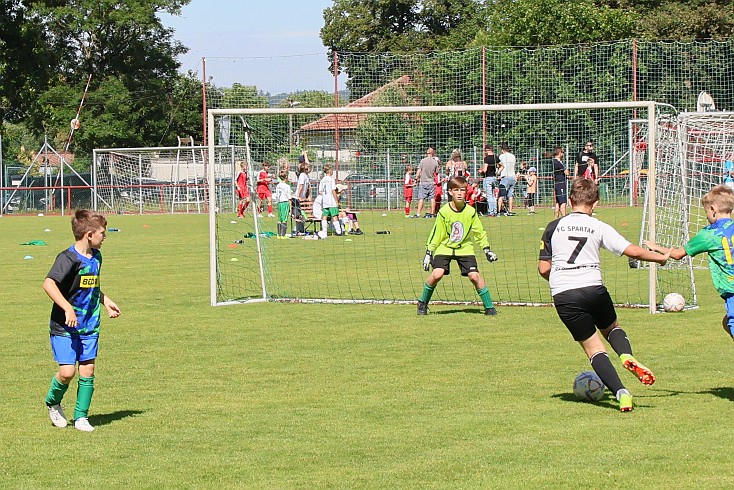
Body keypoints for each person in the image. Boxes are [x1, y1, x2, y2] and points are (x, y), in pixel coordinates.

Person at [538, 178, 670, 412]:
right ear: (595, 203)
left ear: (569, 201)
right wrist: (661, 257)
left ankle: (622, 393)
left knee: (594, 349)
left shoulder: (553, 226)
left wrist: (562, 281)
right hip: (593, 287)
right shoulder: (598, 227)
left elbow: (544, 269)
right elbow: (633, 251)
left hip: (564, 293)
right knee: (611, 328)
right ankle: (626, 355)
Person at [43, 209, 121, 432]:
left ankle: (81, 417)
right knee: (68, 372)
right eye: (102, 233)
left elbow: (90, 286)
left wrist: (105, 301)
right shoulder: (67, 258)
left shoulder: (96, 257)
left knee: (88, 370)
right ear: (89, 234)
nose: (104, 236)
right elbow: (49, 284)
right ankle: (53, 402)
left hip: (90, 324)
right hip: (64, 327)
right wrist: (67, 308)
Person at [644, 185, 734, 341]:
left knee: (730, 323)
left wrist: (657, 248)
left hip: (732, 290)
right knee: (726, 323)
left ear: (712, 209)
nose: (706, 216)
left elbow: (678, 254)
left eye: (706, 212)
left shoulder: (709, 234)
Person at [417, 176, 499, 316]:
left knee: (474, 276)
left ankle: (490, 307)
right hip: (445, 247)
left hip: (464, 248)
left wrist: (487, 250)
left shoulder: (470, 212)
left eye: (462, 190)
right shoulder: (444, 211)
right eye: (456, 190)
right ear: (450, 192)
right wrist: (428, 253)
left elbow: (479, 232)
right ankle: (422, 302)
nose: (460, 193)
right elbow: (437, 233)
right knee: (437, 274)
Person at [318, 164, 342, 236]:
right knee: (334, 216)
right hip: (331, 201)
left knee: (324, 216)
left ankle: (324, 231)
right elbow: (333, 191)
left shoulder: (322, 180)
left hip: (325, 201)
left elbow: (320, 191)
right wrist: (336, 201)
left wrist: (325, 196)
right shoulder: (331, 180)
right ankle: (338, 232)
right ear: (330, 170)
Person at [415, 148, 439, 218]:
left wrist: (416, 179)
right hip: (431, 182)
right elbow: (437, 172)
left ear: (427, 153)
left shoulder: (423, 161)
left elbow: (419, 170)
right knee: (432, 198)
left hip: (423, 182)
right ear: (433, 153)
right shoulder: (435, 162)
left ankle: (418, 214)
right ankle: (432, 213)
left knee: (421, 198)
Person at [293, 153, 311, 234]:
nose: (309, 168)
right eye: (308, 167)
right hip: (298, 197)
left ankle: (301, 229)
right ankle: (296, 229)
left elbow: (307, 187)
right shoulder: (302, 175)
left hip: (302, 197)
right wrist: (298, 197)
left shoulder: (306, 176)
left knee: (302, 213)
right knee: (298, 214)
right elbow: (300, 186)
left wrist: (308, 196)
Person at [497, 143, 517, 216]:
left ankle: (498, 211)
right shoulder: (513, 156)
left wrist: (498, 173)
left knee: (501, 195)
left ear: (502, 149)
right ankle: (510, 211)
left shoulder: (501, 156)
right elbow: (514, 166)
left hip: (505, 176)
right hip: (512, 176)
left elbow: (499, 165)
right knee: (510, 195)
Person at [481, 145, 500, 217]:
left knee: (489, 196)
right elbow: (502, 166)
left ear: (487, 150)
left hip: (488, 178)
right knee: (493, 196)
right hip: (494, 178)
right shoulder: (496, 157)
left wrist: (481, 171)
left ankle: (491, 212)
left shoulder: (487, 158)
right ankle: (495, 211)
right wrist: (498, 172)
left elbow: (485, 169)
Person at [552, 147, 569, 219]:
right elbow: (567, 173)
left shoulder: (555, 162)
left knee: (557, 203)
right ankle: (564, 218)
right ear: (559, 153)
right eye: (562, 152)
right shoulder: (557, 162)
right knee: (563, 202)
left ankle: (555, 219)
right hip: (560, 183)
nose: (563, 154)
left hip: (557, 183)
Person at [274, 169, 292, 238]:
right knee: (284, 219)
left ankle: (278, 234)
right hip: (285, 203)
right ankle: (283, 235)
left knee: (279, 219)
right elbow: (289, 198)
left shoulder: (278, 185)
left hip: (279, 203)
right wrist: (290, 208)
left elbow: (277, 195)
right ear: (286, 177)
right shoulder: (287, 186)